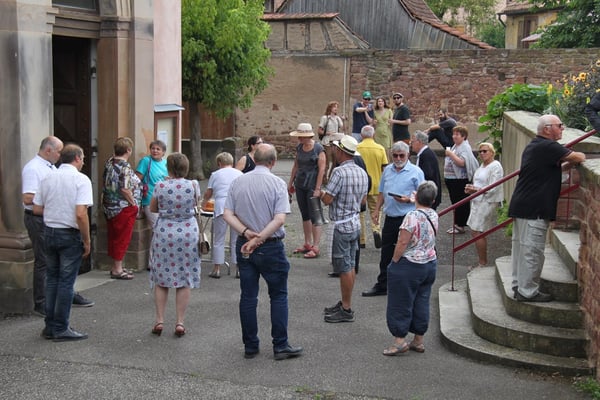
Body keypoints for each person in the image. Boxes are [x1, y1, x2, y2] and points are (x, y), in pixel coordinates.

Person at [223, 143, 303, 361]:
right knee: (278, 295)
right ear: (273, 162)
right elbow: (279, 218)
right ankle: (280, 345)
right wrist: (260, 238)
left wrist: (246, 233)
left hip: (244, 243)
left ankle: (250, 345)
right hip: (270, 245)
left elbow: (227, 214)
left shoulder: (238, 181)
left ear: (254, 159)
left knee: (248, 296)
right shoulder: (277, 183)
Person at [509, 115, 585, 302]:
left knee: (521, 249)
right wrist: (576, 158)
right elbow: (579, 156)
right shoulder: (548, 146)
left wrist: (566, 162)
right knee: (532, 251)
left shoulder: (535, 145)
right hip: (534, 208)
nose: (562, 128)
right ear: (547, 129)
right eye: (559, 125)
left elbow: (551, 169)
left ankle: (519, 286)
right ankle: (528, 291)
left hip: (523, 205)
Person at [22, 136, 94, 317]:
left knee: (56, 274)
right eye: (58, 151)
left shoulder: (50, 171)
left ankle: (54, 315)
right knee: (50, 268)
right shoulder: (34, 168)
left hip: (50, 222)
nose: (60, 155)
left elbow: (40, 203)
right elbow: (28, 199)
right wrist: (86, 240)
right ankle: (45, 307)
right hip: (47, 222)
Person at [382, 181, 438, 356]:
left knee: (400, 302)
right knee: (422, 300)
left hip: (410, 264)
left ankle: (399, 340)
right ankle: (418, 340)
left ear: (417, 197)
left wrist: (394, 261)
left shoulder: (411, 216)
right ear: (433, 200)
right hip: (429, 262)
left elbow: (403, 242)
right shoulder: (434, 214)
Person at [149, 153, 201, 337]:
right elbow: (197, 205)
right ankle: (180, 322)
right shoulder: (193, 185)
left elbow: (153, 208)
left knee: (161, 279)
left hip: (165, 233)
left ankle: (159, 320)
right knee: (184, 278)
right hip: (188, 233)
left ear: (169, 168)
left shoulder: (160, 185)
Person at [363, 141, 424, 297]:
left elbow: (422, 195)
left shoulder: (416, 172)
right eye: (395, 155)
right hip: (390, 217)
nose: (398, 159)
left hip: (408, 217)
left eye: (401, 156)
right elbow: (382, 191)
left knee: (407, 252)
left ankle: (406, 285)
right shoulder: (388, 170)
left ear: (408, 155)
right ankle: (383, 284)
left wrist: (409, 200)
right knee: (386, 252)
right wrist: (376, 209)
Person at [321, 136, 368, 323]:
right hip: (354, 223)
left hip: (341, 225)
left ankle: (346, 308)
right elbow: (363, 201)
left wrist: (321, 194)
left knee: (344, 267)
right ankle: (345, 303)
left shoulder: (339, 172)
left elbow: (328, 199)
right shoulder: (362, 172)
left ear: (341, 152)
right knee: (350, 265)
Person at [102, 137, 140, 280]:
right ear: (128, 150)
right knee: (122, 238)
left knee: (113, 236)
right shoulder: (125, 167)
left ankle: (115, 266)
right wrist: (133, 203)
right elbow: (125, 189)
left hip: (108, 205)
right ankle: (117, 269)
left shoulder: (109, 162)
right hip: (122, 207)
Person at [202, 152, 243, 279]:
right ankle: (238, 268)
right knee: (236, 240)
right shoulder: (240, 174)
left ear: (219, 163)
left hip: (221, 206)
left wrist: (203, 203)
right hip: (237, 206)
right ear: (232, 162)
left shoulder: (215, 174)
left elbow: (209, 193)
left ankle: (217, 269)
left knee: (219, 239)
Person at [288, 123, 326, 259]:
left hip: (312, 185)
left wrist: (318, 188)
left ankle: (316, 246)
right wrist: (290, 183)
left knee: (315, 215)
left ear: (308, 136)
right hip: (300, 184)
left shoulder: (318, 149)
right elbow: (296, 166)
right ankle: (307, 243)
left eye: (301, 136)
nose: (299, 139)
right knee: (305, 214)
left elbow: (322, 169)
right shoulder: (299, 147)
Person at [465, 142, 504, 270]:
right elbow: (479, 183)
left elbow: (493, 187)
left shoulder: (496, 166)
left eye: (485, 151)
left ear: (492, 153)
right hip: (477, 200)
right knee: (474, 231)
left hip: (487, 201)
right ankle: (481, 261)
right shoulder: (482, 166)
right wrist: (471, 189)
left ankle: (482, 263)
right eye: (480, 151)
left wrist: (475, 189)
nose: (482, 153)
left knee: (478, 231)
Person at [357, 125, 388, 248]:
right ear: (373, 135)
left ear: (361, 135)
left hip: (360, 185)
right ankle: (376, 230)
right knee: (376, 210)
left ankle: (361, 239)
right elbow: (384, 168)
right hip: (376, 184)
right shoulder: (380, 149)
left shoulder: (357, 148)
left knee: (360, 212)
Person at [444, 126, 479, 234]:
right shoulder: (456, 146)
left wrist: (450, 154)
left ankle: (460, 225)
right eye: (453, 134)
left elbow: (462, 163)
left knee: (460, 203)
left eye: (457, 134)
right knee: (455, 202)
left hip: (459, 180)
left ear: (463, 136)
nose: (454, 136)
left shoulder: (464, 147)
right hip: (452, 179)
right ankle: (457, 224)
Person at [135, 140, 168, 227]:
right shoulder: (146, 161)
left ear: (163, 152)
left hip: (163, 200)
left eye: (158, 149)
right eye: (153, 148)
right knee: (157, 226)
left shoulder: (165, 163)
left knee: (164, 226)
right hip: (149, 199)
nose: (155, 151)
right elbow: (136, 180)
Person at [411, 130, 442, 209]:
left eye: (413, 142)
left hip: (429, 195)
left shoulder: (426, 155)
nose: (411, 144)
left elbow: (427, 175)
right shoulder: (424, 153)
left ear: (419, 142)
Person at [318, 101, 345, 180]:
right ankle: (324, 178)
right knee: (326, 162)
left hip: (335, 141)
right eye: (334, 107)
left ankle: (331, 177)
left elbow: (343, 129)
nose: (336, 108)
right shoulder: (325, 118)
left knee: (335, 161)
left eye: (337, 107)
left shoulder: (337, 118)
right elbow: (320, 130)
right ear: (330, 108)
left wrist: (343, 120)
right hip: (327, 142)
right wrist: (327, 133)